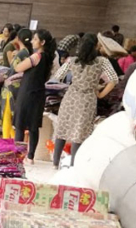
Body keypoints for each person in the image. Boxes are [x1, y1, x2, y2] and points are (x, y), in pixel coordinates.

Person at [50, 33, 118, 168]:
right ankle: (74, 165)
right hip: (87, 99)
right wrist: (100, 93)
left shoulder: (72, 60)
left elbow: (58, 76)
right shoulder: (102, 61)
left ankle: (55, 163)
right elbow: (114, 79)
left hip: (71, 97)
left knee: (62, 129)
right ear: (95, 46)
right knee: (79, 133)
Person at [13, 29, 56, 163]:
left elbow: (18, 68)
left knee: (20, 124)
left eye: (35, 39)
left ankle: (18, 156)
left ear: (42, 42)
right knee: (33, 126)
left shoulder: (36, 56)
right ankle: (30, 156)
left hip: (27, 92)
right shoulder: (49, 58)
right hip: (39, 93)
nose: (32, 41)